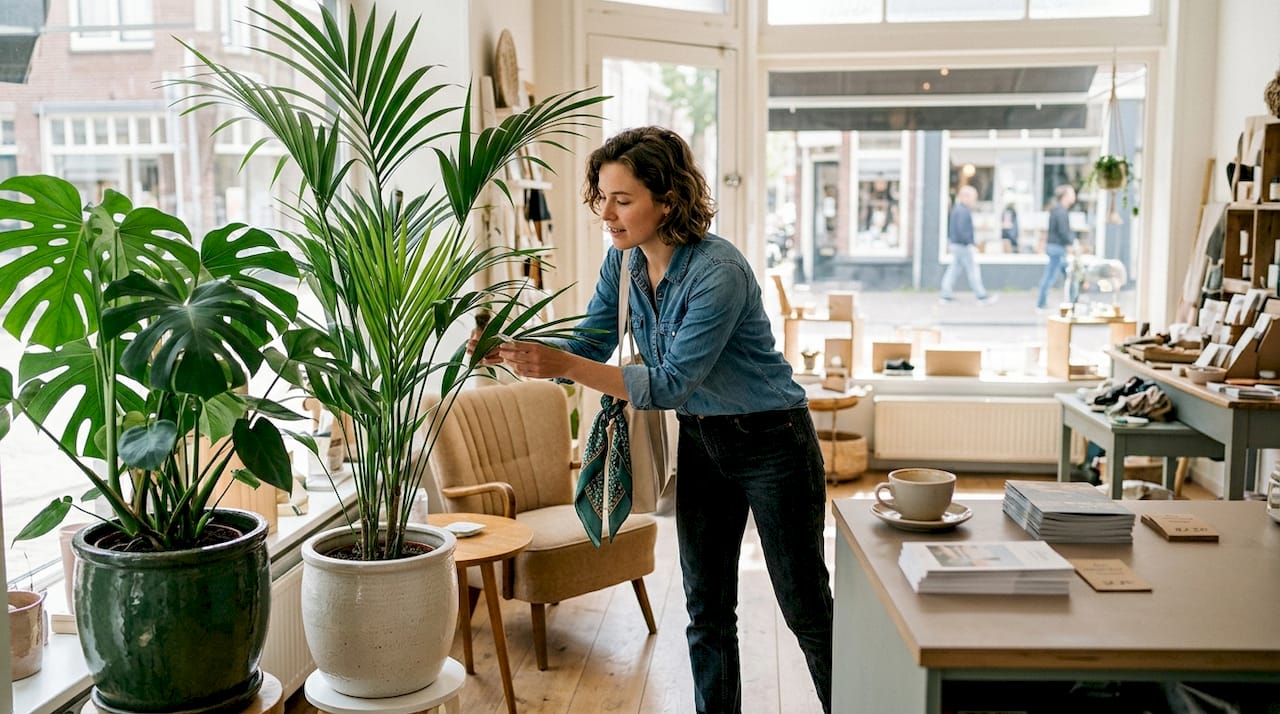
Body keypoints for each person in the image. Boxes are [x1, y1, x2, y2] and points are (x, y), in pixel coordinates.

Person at [482, 126, 833, 714]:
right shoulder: (621, 265)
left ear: (668, 199)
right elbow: (593, 340)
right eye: (601, 197)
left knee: (804, 607)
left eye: (622, 200)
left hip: (773, 440)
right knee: (706, 608)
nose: (606, 213)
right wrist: (520, 350)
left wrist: (562, 363)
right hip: (701, 440)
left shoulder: (718, 271)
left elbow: (669, 381)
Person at [939, 185, 997, 305]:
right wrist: (970, 243)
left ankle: (945, 294)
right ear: (965, 197)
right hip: (962, 246)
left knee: (954, 269)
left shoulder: (958, 209)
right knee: (973, 270)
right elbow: (962, 230)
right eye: (973, 197)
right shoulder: (963, 211)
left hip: (957, 244)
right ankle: (981, 296)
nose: (974, 200)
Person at [1036, 184, 1077, 310]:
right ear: (1065, 196)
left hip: (1055, 247)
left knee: (1069, 275)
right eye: (1071, 194)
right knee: (1055, 275)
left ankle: (1073, 301)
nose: (1074, 196)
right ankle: (1042, 303)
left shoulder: (1056, 210)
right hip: (1058, 248)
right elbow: (1063, 231)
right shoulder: (1061, 212)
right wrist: (1069, 244)